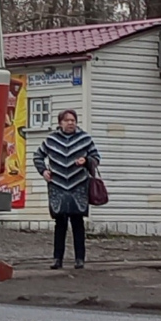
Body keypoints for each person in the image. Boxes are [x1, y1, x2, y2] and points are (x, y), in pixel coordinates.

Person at [32, 109, 101, 269]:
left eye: (73, 120)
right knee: (60, 223)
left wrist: (86, 161)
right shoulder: (51, 140)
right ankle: (57, 259)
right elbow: (37, 156)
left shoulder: (84, 139)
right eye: (67, 120)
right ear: (60, 123)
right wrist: (43, 171)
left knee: (77, 223)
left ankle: (79, 259)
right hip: (58, 186)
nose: (70, 123)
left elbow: (96, 158)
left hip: (78, 185)